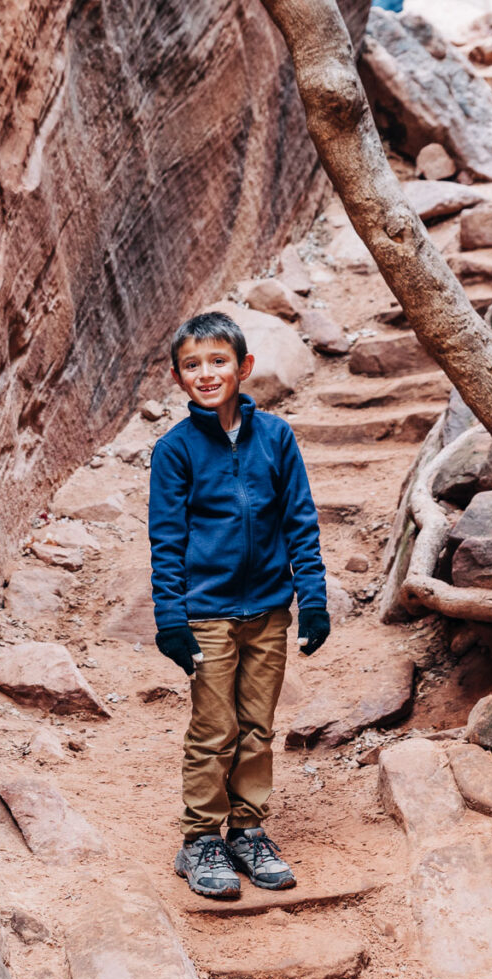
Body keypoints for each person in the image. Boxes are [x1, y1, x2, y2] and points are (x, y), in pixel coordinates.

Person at [148, 311, 330, 899]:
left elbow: (300, 520)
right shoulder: (175, 452)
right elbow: (167, 539)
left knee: (257, 725)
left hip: (269, 610)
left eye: (218, 361)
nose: (206, 373)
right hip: (207, 613)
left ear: (244, 367)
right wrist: (172, 620)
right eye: (193, 365)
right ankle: (200, 839)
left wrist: (315, 599)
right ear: (179, 378)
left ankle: (247, 829)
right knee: (214, 727)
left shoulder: (276, 437)